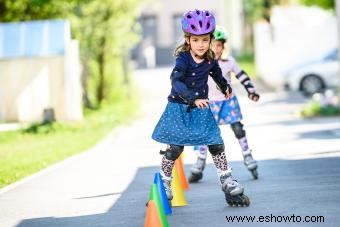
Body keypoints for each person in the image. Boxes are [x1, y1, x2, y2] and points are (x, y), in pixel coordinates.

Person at [152, 10, 249, 207]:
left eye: (205, 39)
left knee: (215, 143)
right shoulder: (183, 59)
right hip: (179, 107)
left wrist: (225, 87)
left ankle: (227, 180)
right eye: (196, 40)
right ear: (188, 40)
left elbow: (216, 74)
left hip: (202, 108)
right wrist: (191, 98)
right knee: (175, 148)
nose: (201, 44)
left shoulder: (210, 59)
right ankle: (164, 182)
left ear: (211, 39)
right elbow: (176, 81)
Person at [188, 25, 260, 184]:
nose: (216, 49)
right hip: (209, 103)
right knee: (206, 133)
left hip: (228, 101)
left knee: (237, 127)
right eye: (213, 45)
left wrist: (251, 91)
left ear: (223, 46)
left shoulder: (229, 61)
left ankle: (247, 154)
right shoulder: (201, 62)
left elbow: (241, 75)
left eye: (219, 45)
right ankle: (200, 163)